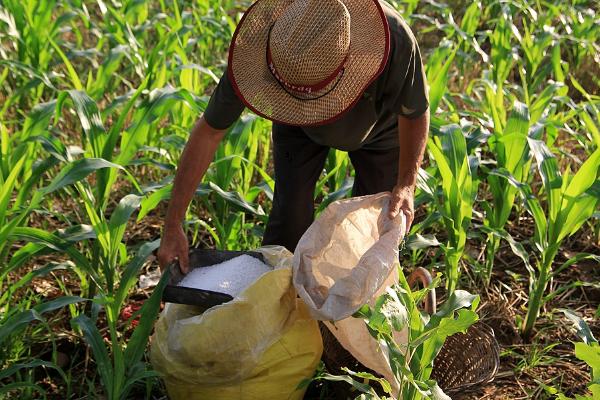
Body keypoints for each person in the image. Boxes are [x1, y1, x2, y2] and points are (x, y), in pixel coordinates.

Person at [157, 0, 430, 272]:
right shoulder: (260, 44)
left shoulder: (395, 41)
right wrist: (172, 224)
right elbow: (209, 131)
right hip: (297, 128)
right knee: (288, 224)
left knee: (368, 234)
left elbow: (415, 112)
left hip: (380, 132)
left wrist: (406, 184)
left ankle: (352, 309)